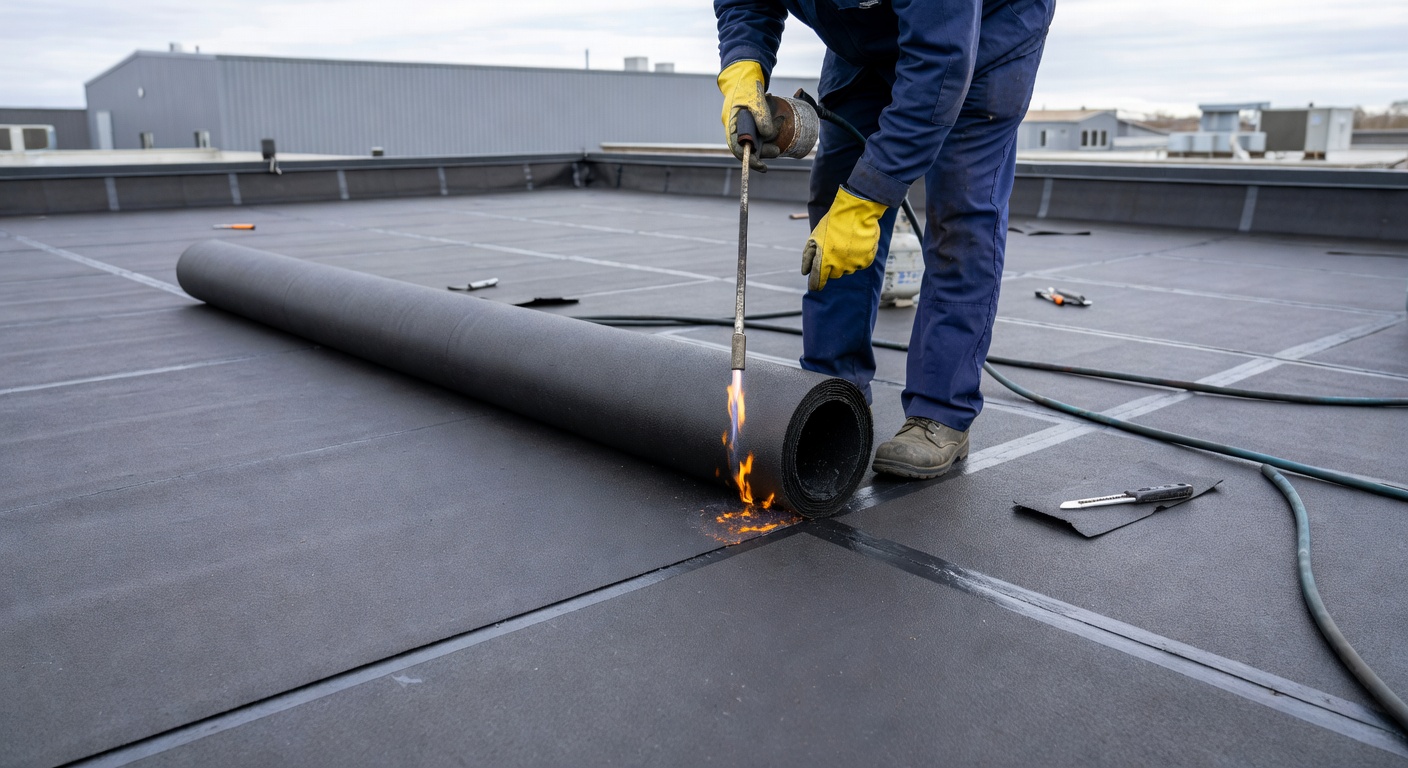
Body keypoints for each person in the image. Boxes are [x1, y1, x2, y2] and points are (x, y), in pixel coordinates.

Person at [716, 0, 1055, 479]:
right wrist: (743, 63)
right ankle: (833, 391)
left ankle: (940, 412)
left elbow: (940, 62)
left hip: (985, 33)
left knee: (961, 216)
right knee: (836, 197)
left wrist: (867, 200)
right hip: (865, 40)